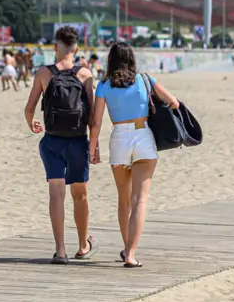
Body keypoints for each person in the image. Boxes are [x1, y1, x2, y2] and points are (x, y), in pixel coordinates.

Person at [88, 41, 178, 268]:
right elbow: (174, 102)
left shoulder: (104, 85)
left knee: (124, 198)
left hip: (119, 137)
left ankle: (126, 245)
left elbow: (96, 121)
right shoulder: (145, 80)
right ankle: (130, 253)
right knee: (140, 200)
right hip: (142, 136)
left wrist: (93, 147)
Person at [23, 26, 97, 265]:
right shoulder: (85, 74)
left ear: (56, 48)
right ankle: (83, 245)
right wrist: (94, 144)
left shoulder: (44, 73)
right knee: (80, 195)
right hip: (77, 141)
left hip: (52, 140)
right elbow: (93, 116)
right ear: (76, 49)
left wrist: (31, 123)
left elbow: (29, 108)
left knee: (56, 193)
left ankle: (60, 250)